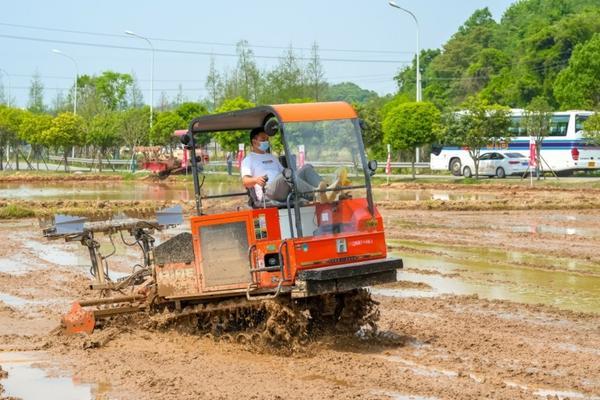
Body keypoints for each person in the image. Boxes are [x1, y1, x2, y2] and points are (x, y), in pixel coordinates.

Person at [241, 128, 326, 203]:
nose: (266, 141)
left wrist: (298, 173)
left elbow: (285, 173)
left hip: (283, 187)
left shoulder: (272, 157)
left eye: (267, 139)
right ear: (254, 141)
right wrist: (256, 180)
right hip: (268, 192)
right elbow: (245, 182)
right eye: (263, 139)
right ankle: (316, 195)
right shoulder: (248, 160)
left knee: (306, 168)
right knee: (287, 174)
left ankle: (328, 191)